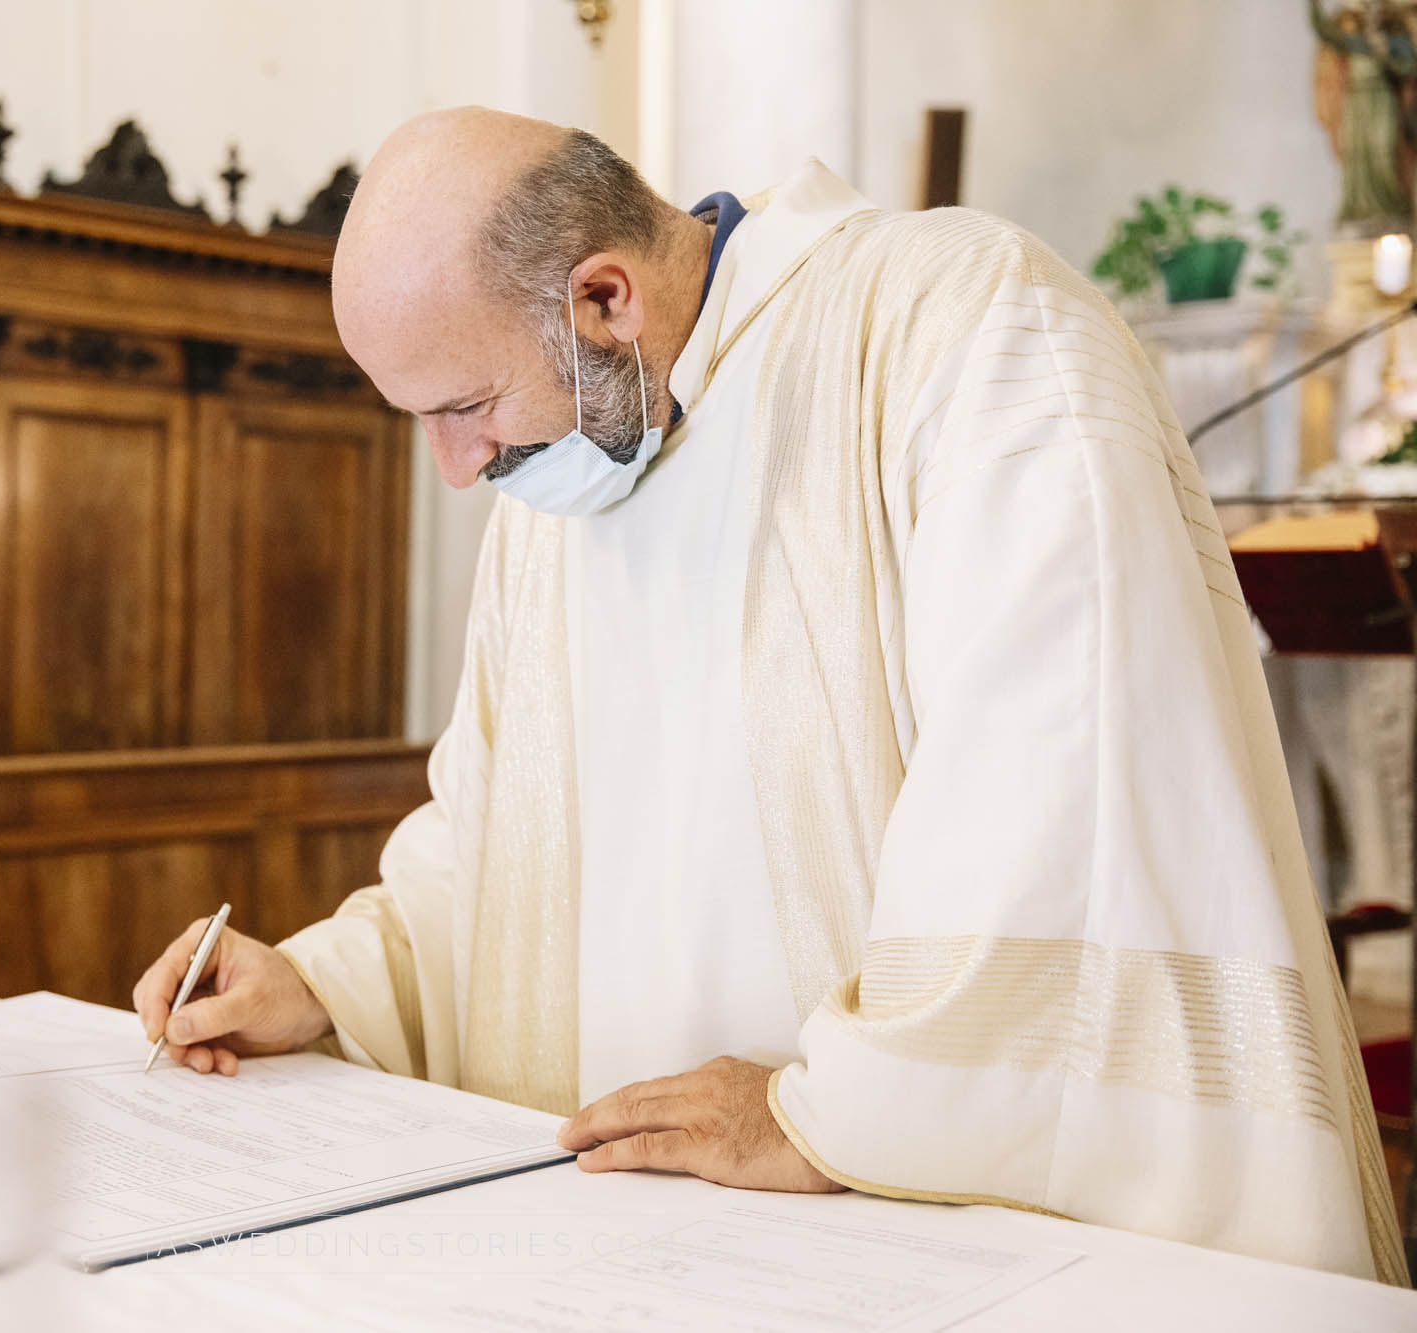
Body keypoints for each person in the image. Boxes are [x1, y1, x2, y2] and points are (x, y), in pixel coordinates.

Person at [134, 107, 1406, 1284]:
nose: (456, 470)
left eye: (463, 407)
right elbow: (493, 846)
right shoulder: (561, 473)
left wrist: (827, 1110)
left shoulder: (958, 327)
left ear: (603, 297)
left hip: (897, 1235)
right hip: (627, 1251)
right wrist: (327, 983)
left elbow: (1071, 784)